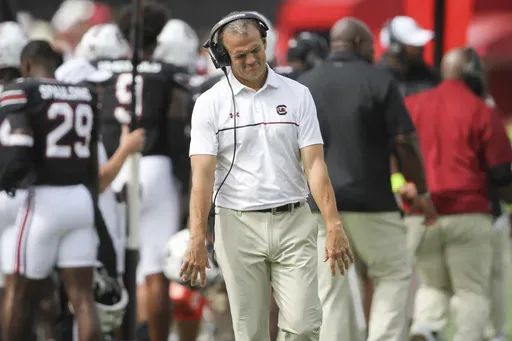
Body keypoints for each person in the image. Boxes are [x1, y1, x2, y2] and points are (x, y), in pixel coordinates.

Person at [180, 11, 353, 341]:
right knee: (250, 331)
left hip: (294, 221)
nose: (249, 60)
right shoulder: (209, 104)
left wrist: (333, 224)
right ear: (223, 57)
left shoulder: (298, 94)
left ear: (266, 44)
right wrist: (197, 237)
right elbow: (201, 178)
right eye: (239, 55)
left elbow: (315, 165)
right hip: (237, 225)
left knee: (304, 325)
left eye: (255, 50)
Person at [297, 17, 437, 341]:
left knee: (330, 288)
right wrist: (423, 191)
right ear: (359, 43)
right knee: (393, 272)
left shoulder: (306, 84)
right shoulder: (380, 80)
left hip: (319, 205)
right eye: (372, 45)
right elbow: (404, 142)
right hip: (372, 201)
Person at [94, 4, 192, 341]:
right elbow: (178, 130)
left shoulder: (100, 70)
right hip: (156, 165)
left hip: (113, 165)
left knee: (117, 268)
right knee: (155, 271)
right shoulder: (169, 72)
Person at [402, 47, 512, 341]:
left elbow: (395, 150)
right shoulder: (481, 109)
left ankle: (425, 328)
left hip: (421, 213)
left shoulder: (413, 104)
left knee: (432, 285)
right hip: (468, 211)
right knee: (471, 290)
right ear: (472, 71)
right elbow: (502, 171)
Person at [0, 40, 103, 341]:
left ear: (27, 65)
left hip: (43, 200)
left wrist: (8, 180)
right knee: (83, 299)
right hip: (81, 199)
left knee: (19, 295)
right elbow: (92, 161)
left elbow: (19, 148)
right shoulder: (83, 93)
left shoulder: (24, 89)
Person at [378, 16, 440, 96]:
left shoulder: (426, 73)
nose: (422, 47)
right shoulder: (379, 80)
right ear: (396, 48)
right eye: (415, 43)